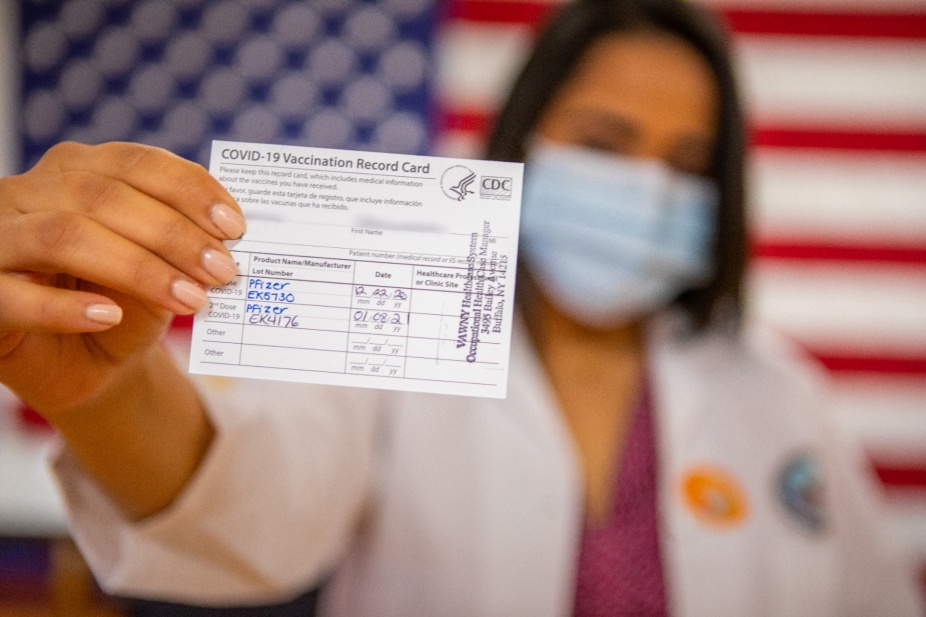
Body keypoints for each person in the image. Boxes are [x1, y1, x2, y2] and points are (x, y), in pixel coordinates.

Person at [0, 0, 921, 615]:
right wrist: (108, 391)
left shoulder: (780, 393)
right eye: (606, 143)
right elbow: (249, 506)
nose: (646, 185)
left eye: (685, 164)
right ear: (525, 137)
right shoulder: (393, 335)